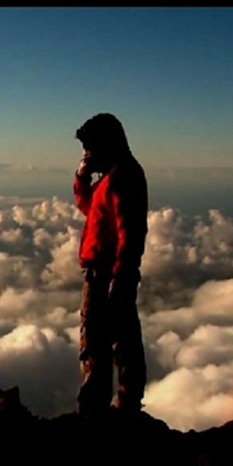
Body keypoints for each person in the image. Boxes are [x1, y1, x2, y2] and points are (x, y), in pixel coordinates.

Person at [72, 113, 148, 415]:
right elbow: (91, 210)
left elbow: (131, 233)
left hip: (109, 271)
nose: (87, 154)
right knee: (118, 336)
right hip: (109, 271)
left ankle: (99, 409)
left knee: (102, 339)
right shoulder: (113, 176)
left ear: (107, 144)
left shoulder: (123, 176)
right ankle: (119, 403)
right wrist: (82, 179)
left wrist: (121, 276)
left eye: (90, 147)